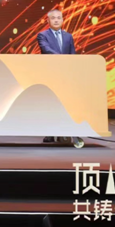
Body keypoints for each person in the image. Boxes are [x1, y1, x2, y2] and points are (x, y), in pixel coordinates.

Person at [37, 8, 76, 144]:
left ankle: (64, 131)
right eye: (53, 18)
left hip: (66, 75)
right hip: (50, 74)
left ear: (63, 20)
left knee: (65, 104)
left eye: (59, 18)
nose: (56, 20)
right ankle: (49, 132)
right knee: (50, 104)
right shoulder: (42, 35)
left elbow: (73, 55)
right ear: (48, 20)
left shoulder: (68, 36)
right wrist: (62, 59)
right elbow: (46, 49)